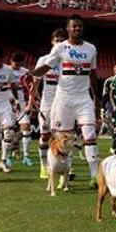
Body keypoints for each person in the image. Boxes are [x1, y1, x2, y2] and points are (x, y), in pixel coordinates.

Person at [32, 14, 100, 189]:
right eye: (74, 26)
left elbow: (92, 73)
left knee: (90, 136)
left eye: (79, 26)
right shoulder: (60, 48)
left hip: (83, 97)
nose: (77, 29)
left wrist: (96, 97)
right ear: (68, 28)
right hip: (63, 98)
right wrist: (33, 74)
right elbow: (46, 68)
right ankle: (60, 172)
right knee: (63, 138)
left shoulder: (91, 48)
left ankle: (94, 177)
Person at [31, 28, 67, 179]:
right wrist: (30, 102)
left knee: (61, 137)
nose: (58, 43)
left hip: (63, 102)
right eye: (56, 40)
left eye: (61, 41)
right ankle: (43, 166)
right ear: (52, 42)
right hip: (46, 103)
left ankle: (63, 172)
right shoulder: (43, 60)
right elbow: (35, 84)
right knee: (45, 136)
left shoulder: (69, 60)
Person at [10, 52, 33, 166]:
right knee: (7, 130)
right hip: (8, 102)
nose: (17, 66)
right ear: (11, 61)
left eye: (19, 64)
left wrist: (32, 101)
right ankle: (7, 156)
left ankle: (26, 156)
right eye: (15, 64)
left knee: (26, 128)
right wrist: (15, 101)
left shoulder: (25, 72)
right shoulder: (6, 71)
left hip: (22, 102)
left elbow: (31, 87)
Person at [102, 63, 116, 154]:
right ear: (114, 70)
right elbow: (105, 95)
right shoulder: (109, 81)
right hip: (112, 106)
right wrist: (103, 109)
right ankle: (115, 147)